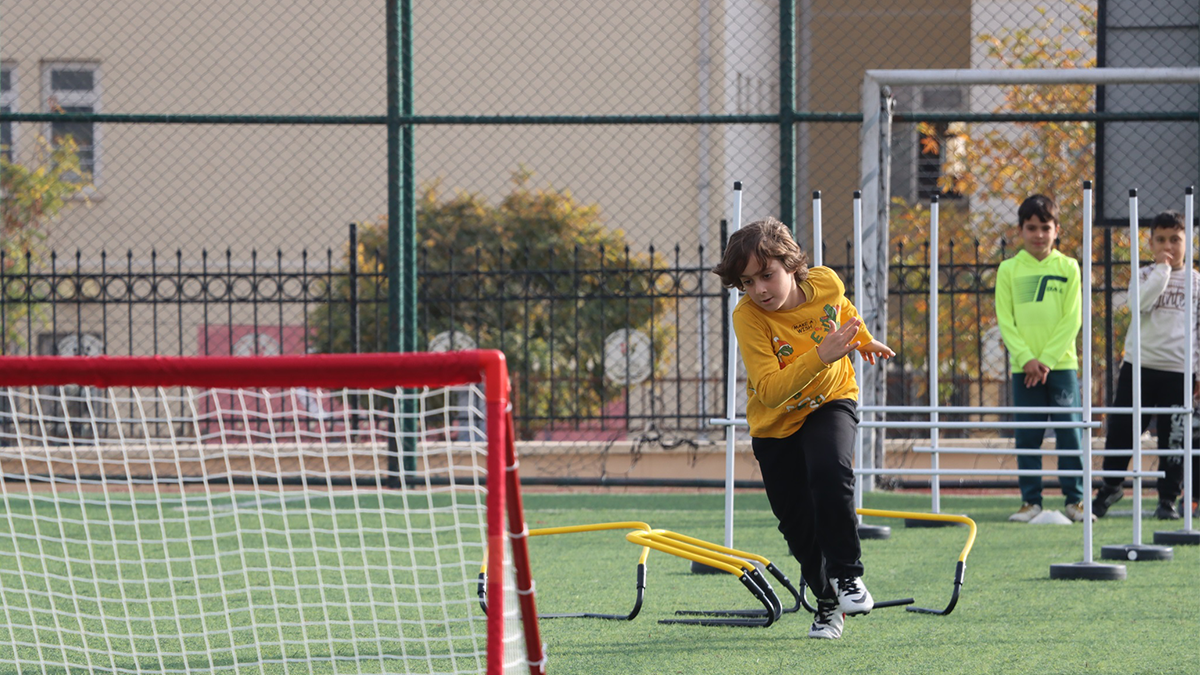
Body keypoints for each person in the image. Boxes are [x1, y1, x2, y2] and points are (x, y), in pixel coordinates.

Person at [712, 217, 894, 640]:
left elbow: (842, 310)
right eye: (747, 282)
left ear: (792, 265)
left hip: (831, 398)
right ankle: (826, 601)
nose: (759, 289)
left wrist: (861, 338)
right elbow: (771, 390)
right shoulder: (748, 317)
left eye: (767, 275)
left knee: (830, 471)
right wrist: (821, 355)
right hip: (775, 424)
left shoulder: (825, 282)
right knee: (796, 523)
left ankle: (847, 575)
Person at [1093, 210, 1200, 520]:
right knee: (1122, 430)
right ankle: (1111, 486)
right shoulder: (1143, 275)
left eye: (1175, 240)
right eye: (1161, 240)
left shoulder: (1196, 282)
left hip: (1178, 371)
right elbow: (1138, 305)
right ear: (1150, 244)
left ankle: (1167, 498)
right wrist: (1162, 272)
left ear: (1187, 242)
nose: (1168, 246)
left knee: (1173, 438)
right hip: (1139, 366)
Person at [995, 194, 1088, 523]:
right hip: (1024, 370)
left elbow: (1072, 319)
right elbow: (1005, 320)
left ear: (1056, 230)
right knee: (1028, 435)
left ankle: (1076, 501)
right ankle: (1030, 502)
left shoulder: (1069, 267)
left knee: (1069, 433)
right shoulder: (1008, 269)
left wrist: (1046, 360)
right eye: (1031, 228)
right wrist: (1026, 358)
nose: (1038, 234)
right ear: (1021, 230)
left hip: (1061, 367)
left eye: (1045, 228)